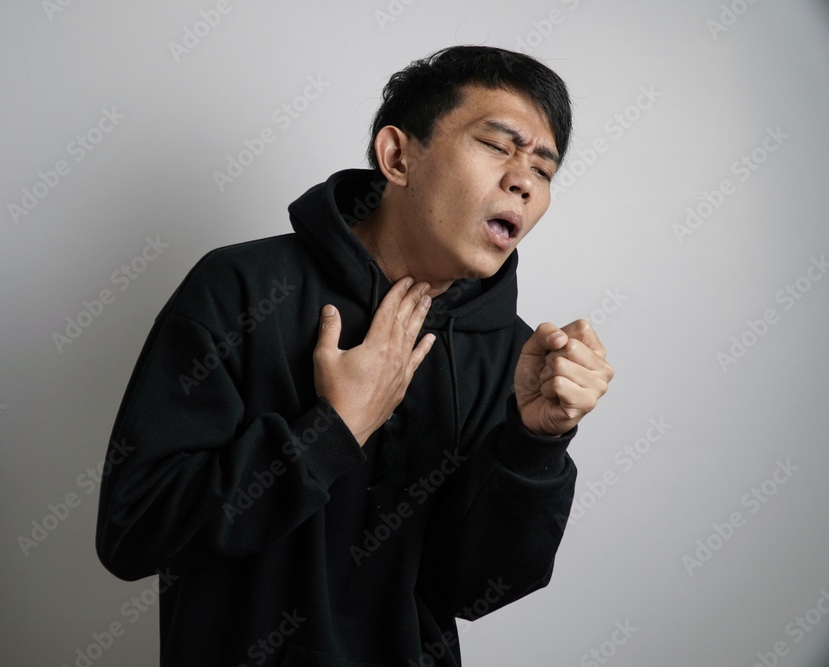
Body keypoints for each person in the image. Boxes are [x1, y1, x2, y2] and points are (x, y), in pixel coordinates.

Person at [95, 45, 614, 666]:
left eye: (544, 169)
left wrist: (536, 444)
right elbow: (135, 531)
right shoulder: (242, 289)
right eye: (498, 145)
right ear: (397, 156)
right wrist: (332, 429)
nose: (524, 180)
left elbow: (472, 589)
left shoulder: (514, 354)